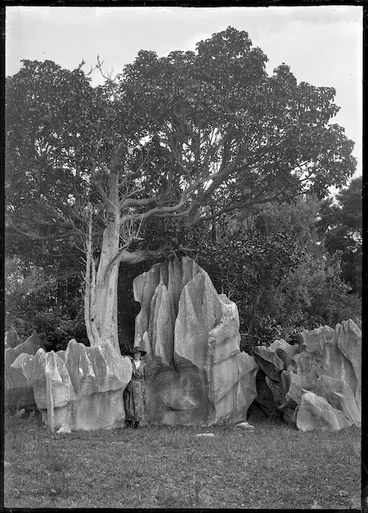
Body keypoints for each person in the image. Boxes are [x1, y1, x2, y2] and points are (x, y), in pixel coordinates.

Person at [124, 346, 147, 429]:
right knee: (129, 402)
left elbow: (145, 377)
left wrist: (144, 387)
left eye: (138, 353)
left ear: (140, 354)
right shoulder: (130, 363)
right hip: (131, 383)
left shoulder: (144, 365)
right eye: (135, 353)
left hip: (140, 385)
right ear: (133, 355)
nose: (137, 355)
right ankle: (129, 422)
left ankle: (137, 423)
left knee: (139, 403)